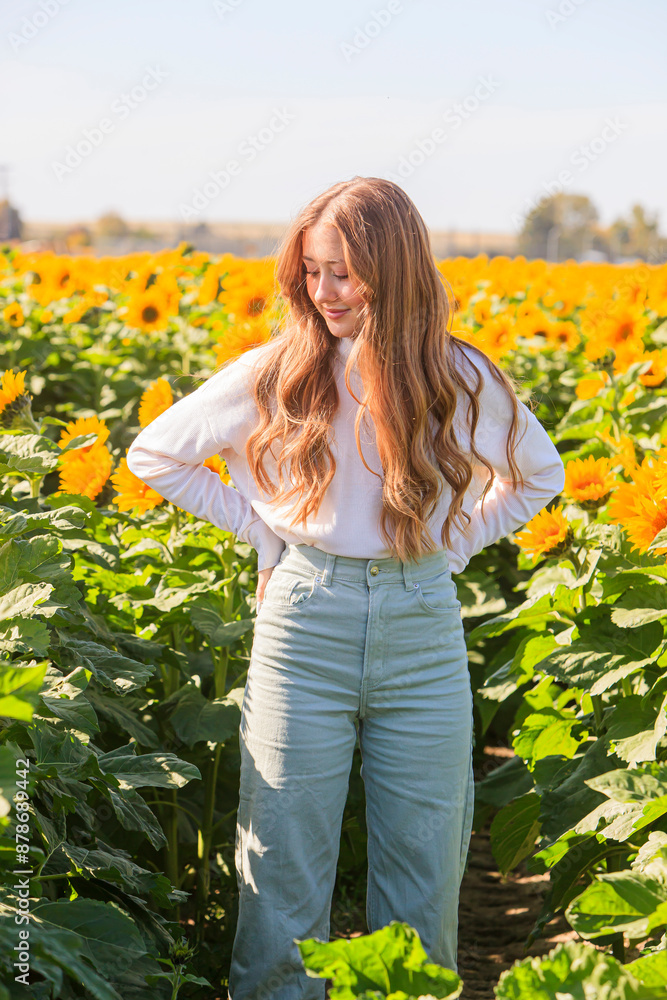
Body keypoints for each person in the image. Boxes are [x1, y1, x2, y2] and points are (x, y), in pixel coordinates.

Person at [126, 176, 565, 1000]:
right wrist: (261, 529)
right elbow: (154, 454)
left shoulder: (459, 376)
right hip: (303, 626)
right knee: (282, 868)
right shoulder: (278, 371)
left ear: (393, 272)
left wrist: (459, 538)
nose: (324, 293)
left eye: (344, 274)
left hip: (422, 630)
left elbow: (540, 478)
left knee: (422, 866)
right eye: (313, 272)